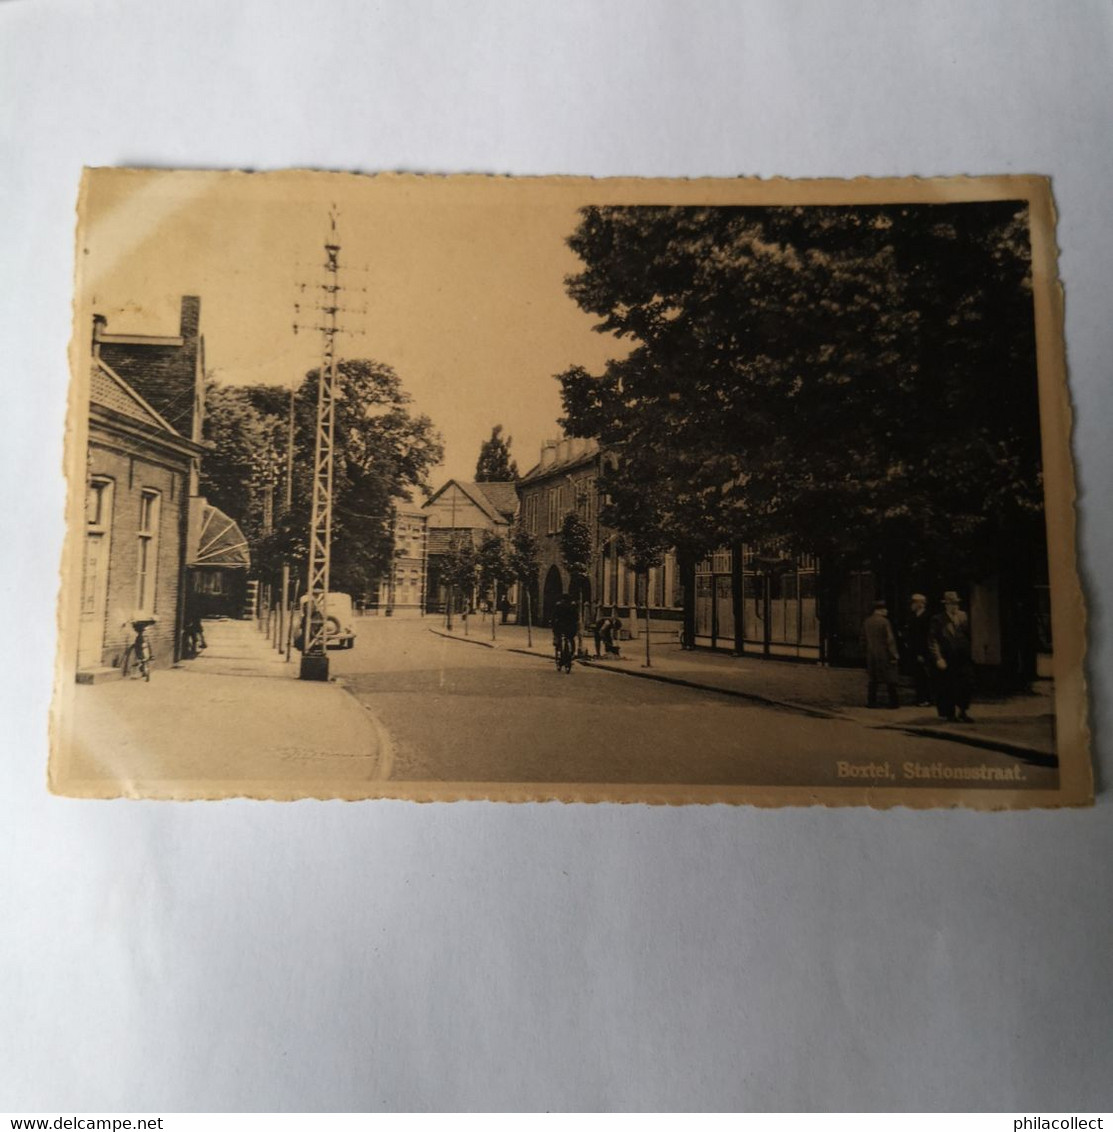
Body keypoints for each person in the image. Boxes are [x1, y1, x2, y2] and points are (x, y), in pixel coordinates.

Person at [929, 590, 975, 722]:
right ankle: (950, 714)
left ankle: (963, 711)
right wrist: (938, 658)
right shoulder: (938, 619)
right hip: (947, 657)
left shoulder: (963, 616)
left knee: (966, 685)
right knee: (949, 686)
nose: (954, 606)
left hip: (963, 657)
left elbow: (968, 635)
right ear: (946, 605)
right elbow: (933, 640)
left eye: (955, 603)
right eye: (950, 604)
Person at [862, 600, 900, 708]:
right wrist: (894, 654)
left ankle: (871, 702)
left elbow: (863, 640)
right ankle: (893, 703)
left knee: (873, 679)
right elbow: (890, 640)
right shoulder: (885, 622)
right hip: (885, 655)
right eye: (885, 609)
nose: (887, 611)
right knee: (890, 679)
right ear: (880, 610)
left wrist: (866, 652)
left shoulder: (867, 622)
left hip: (871, 655)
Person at [902, 593, 933, 707]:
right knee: (918, 675)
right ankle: (920, 698)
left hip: (923, 651)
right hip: (914, 651)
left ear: (920, 604)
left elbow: (926, 637)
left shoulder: (927, 617)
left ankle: (926, 699)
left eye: (914, 603)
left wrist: (921, 653)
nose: (912, 605)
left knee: (924, 675)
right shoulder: (913, 617)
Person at [550, 592, 579, 672]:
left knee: (558, 638)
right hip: (571, 627)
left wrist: (552, 623)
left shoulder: (558, 606)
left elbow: (554, 616)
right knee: (571, 639)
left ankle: (559, 653)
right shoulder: (573, 606)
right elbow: (576, 618)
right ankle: (572, 653)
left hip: (561, 626)